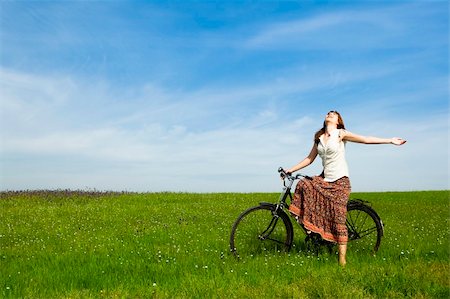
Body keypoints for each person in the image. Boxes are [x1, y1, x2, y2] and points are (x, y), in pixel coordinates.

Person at [285, 110, 406, 266]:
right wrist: (291, 169)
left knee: (338, 218)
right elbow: (309, 159)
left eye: (333, 114)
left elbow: (366, 139)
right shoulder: (319, 139)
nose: (330, 114)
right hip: (325, 179)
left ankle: (342, 260)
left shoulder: (341, 134)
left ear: (338, 121)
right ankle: (313, 228)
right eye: (328, 113)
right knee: (303, 184)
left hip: (340, 181)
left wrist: (390, 140)